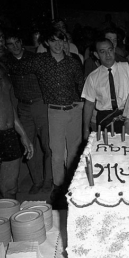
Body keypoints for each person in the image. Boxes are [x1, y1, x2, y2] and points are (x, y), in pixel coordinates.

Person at [5, 27, 83, 204]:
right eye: (53, 40)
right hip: (54, 111)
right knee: (56, 152)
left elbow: (80, 85)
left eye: (60, 40)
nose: (57, 44)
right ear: (47, 43)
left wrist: (80, 106)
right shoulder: (39, 61)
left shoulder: (73, 62)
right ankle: (59, 187)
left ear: (65, 42)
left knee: (73, 152)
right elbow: (15, 67)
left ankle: (73, 186)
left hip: (74, 110)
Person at [4, 30, 53, 194]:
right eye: (11, 44)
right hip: (23, 108)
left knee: (47, 145)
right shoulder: (5, 63)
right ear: (6, 46)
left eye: (17, 42)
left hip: (40, 104)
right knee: (28, 146)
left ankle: (48, 181)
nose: (16, 46)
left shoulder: (35, 58)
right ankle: (37, 181)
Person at [82, 37, 129, 139]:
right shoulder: (93, 77)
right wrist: (86, 129)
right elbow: (89, 104)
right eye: (102, 52)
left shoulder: (127, 70)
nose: (108, 55)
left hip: (127, 118)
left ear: (114, 50)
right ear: (97, 55)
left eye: (110, 50)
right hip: (105, 119)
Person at [0, 63, 33, 199]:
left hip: (9, 134)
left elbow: (7, 103)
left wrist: (23, 134)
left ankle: (10, 218)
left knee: (10, 187)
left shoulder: (2, 67)